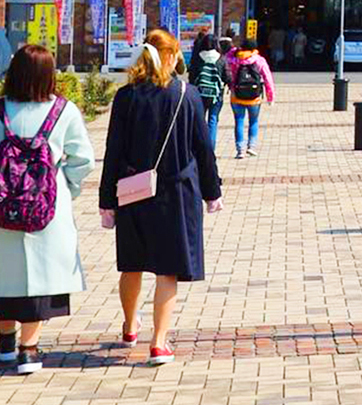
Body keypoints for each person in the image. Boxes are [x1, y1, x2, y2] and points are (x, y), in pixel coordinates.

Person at [98, 29, 223, 366]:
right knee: (167, 270)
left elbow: (113, 151)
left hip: (132, 192)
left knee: (132, 265)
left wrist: (106, 200)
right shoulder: (187, 94)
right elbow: (203, 149)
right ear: (169, 56)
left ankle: (130, 326)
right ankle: (158, 342)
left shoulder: (126, 96)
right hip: (177, 194)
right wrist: (212, 192)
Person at [0, 45, 94, 376]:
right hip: (46, 210)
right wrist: (65, 187)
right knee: (38, 280)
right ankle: (29, 350)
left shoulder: (1, 109)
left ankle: (5, 344)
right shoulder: (63, 111)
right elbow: (83, 159)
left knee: (4, 276)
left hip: (3, 208)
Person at [225, 38, 275, 159]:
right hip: (254, 97)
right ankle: (251, 146)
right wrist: (270, 96)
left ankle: (240, 150)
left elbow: (227, 58)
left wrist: (234, 50)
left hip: (236, 95)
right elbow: (267, 78)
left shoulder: (234, 59)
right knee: (253, 121)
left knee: (239, 121)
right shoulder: (259, 60)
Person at [188, 33, 229, 150]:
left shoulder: (198, 58)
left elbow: (191, 77)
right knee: (213, 120)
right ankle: (210, 149)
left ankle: (198, 148)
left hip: (199, 94)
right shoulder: (221, 59)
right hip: (216, 95)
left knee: (199, 121)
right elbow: (227, 77)